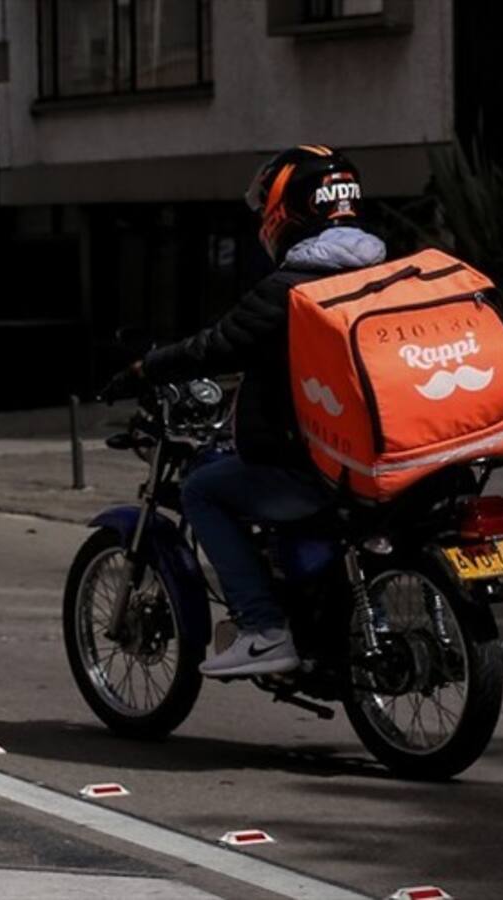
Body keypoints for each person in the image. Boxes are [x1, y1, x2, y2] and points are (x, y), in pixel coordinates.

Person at [105, 145, 387, 678]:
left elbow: (215, 346)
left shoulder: (291, 289)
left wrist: (144, 370)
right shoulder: (383, 274)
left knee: (203, 489)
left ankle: (264, 629)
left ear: (286, 209)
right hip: (385, 462)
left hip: (319, 471)